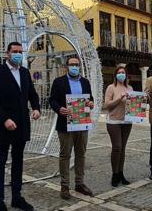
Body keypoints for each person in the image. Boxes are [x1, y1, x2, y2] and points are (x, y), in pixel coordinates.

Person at [0, 42, 41, 211]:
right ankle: (0, 199)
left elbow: (32, 94)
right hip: (5, 125)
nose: (18, 54)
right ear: (7, 54)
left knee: (18, 160)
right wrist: (4, 119)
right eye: (15, 52)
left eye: (20, 52)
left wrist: (36, 108)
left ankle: (17, 196)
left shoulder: (24, 72)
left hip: (22, 124)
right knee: (0, 161)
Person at [49, 57, 95, 200]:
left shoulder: (85, 82)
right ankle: (65, 186)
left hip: (82, 123)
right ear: (66, 66)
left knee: (81, 154)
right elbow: (52, 100)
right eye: (72, 64)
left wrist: (91, 103)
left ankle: (79, 183)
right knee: (65, 155)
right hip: (65, 124)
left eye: (77, 64)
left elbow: (90, 98)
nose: (75, 67)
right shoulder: (59, 82)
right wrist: (59, 109)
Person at [103, 65, 134, 187]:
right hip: (114, 121)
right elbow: (107, 105)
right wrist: (119, 99)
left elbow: (133, 104)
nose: (121, 74)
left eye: (123, 72)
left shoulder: (130, 88)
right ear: (115, 75)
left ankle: (121, 173)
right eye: (119, 72)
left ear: (126, 75)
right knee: (117, 147)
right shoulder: (111, 87)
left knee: (123, 148)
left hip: (127, 121)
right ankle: (114, 174)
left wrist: (142, 99)